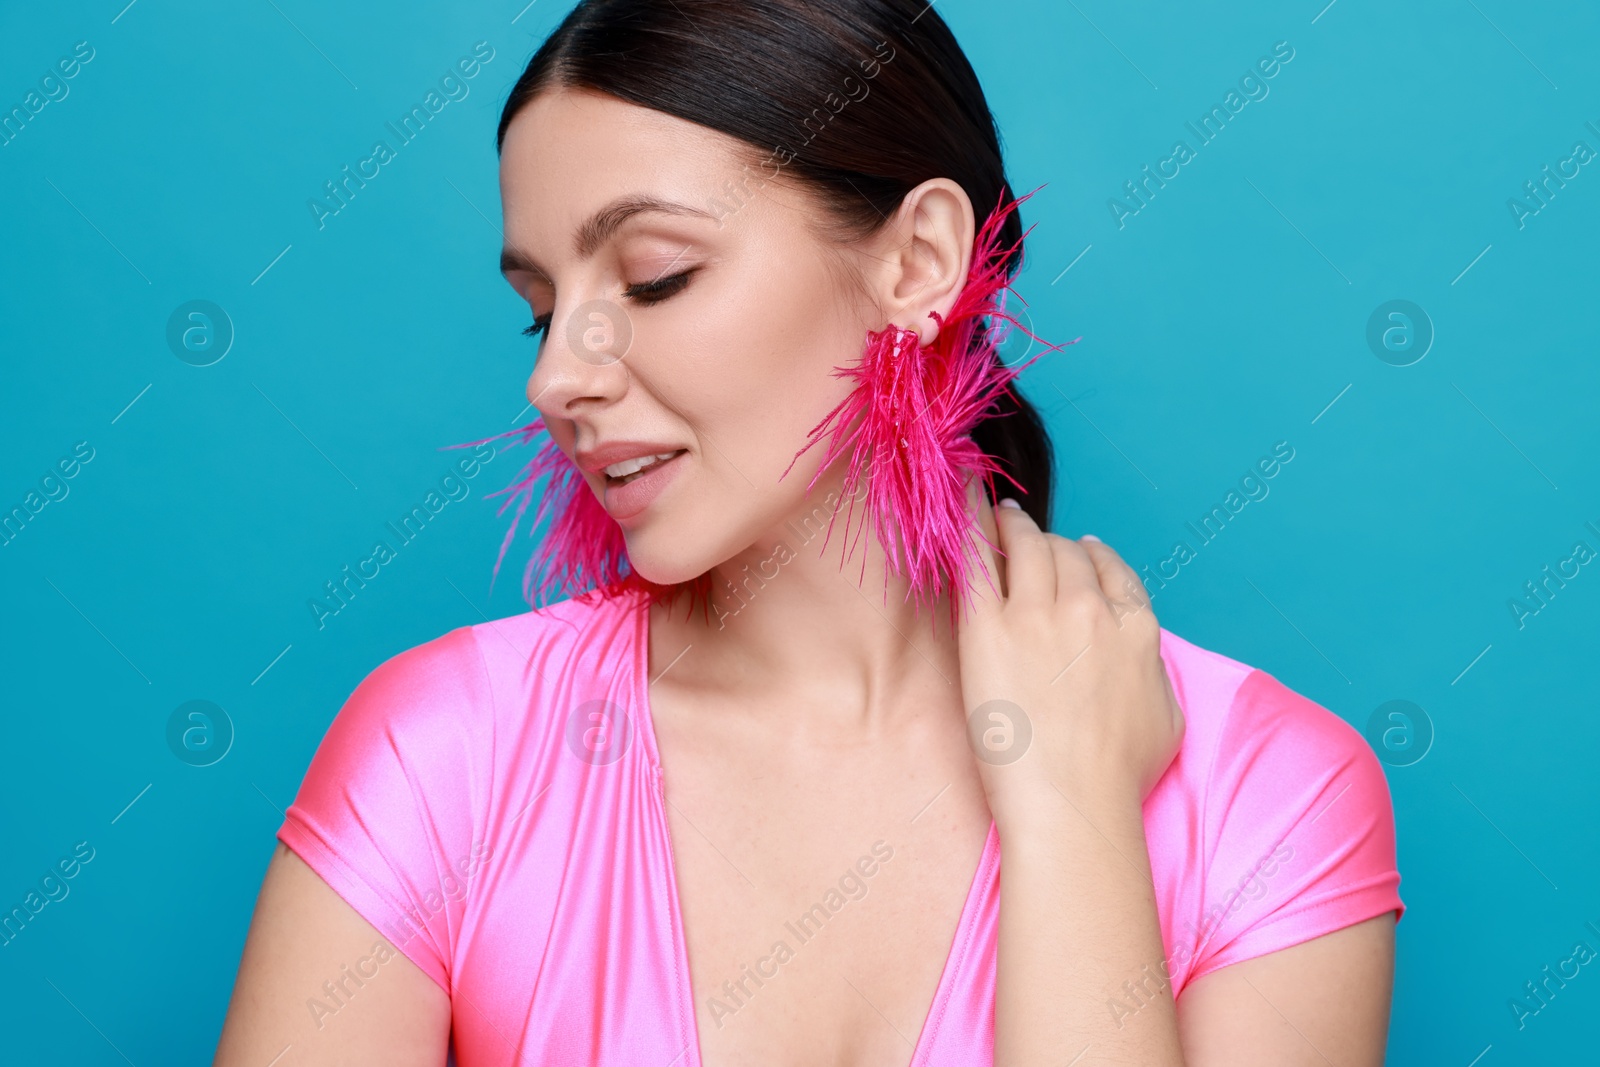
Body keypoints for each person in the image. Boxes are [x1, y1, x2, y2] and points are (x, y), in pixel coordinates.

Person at [213, 2, 1404, 1064]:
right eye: (540, 313)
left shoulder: (1270, 797)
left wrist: (1076, 817)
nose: (556, 381)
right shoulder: (447, 755)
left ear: (919, 262)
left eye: (655, 275)